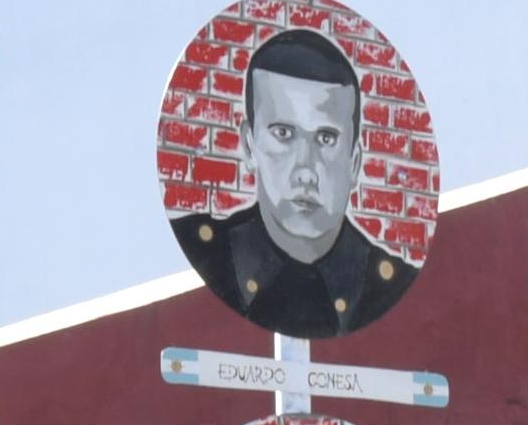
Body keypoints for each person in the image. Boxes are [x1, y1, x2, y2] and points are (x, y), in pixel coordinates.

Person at [172, 27, 414, 337]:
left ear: (354, 163)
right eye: (283, 134)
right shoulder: (205, 255)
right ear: (249, 146)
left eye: (326, 139)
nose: (305, 169)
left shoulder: (387, 288)